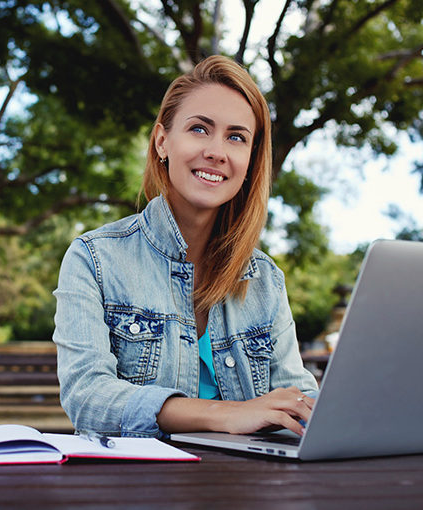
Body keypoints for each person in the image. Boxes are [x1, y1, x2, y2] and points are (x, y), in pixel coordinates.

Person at [52, 55, 318, 439]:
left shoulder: (265, 280)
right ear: (163, 141)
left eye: (236, 137)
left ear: (249, 160)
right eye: (199, 129)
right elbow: (88, 397)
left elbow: (298, 395)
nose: (216, 151)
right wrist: (225, 414)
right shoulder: (95, 258)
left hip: (246, 491)